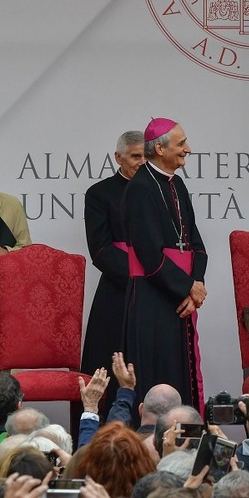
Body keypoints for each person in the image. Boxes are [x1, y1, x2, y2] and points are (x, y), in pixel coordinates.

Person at [121, 118, 208, 411]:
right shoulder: (140, 187)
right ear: (159, 148)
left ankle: (185, 429)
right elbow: (150, 255)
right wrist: (188, 287)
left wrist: (197, 285)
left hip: (180, 294)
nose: (188, 149)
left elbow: (196, 243)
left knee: (182, 372)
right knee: (158, 374)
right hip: (153, 298)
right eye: (181, 143)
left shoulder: (177, 184)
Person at [82, 130, 146, 415]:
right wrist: (140, 276)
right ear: (118, 157)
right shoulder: (99, 193)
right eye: (135, 156)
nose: (142, 162)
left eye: (146, 156)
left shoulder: (162, 191)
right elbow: (100, 249)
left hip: (157, 289)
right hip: (118, 290)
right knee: (108, 361)